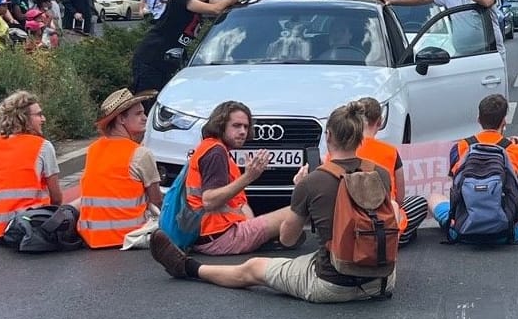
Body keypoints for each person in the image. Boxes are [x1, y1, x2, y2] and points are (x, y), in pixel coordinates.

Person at [149, 102, 398, 303]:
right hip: (382, 280)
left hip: (333, 285)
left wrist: (300, 192)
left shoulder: (312, 181)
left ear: (328, 135)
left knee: (253, 268)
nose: (243, 131)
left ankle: (189, 267)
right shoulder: (381, 175)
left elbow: (288, 239)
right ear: (359, 137)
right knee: (393, 209)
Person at [183, 100, 297, 255]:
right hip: (220, 236)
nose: (243, 131)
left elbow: (238, 202)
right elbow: (209, 201)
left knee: (288, 223)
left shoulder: (214, 148)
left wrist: (251, 227)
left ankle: (277, 237)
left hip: (214, 234)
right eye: (236, 126)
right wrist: (249, 177)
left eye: (246, 126)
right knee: (298, 209)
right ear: (220, 125)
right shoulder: (216, 153)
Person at [430, 93, 518, 242]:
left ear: (478, 119)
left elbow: (454, 188)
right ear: (504, 121)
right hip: (504, 234)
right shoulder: (515, 150)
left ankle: (452, 225)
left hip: (463, 231)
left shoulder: (461, 147)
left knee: (434, 198)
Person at [130, 0, 252, 93]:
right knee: (147, 101)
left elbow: (223, 2)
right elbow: (215, 9)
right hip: (151, 59)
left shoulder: (202, 0)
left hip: (167, 63)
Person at [0, 91, 65, 241]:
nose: (43, 119)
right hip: (26, 226)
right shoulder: (42, 146)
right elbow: (56, 198)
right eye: (38, 115)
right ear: (23, 118)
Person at [74, 89, 161, 249]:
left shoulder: (93, 149)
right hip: (128, 236)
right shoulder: (140, 153)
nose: (145, 118)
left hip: (90, 237)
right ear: (121, 119)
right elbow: (156, 200)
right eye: (138, 114)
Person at [351, 96, 429, 243]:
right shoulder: (390, 151)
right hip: (385, 214)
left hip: (350, 219)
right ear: (379, 122)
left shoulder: (340, 150)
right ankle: (394, 237)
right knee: (419, 203)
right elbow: (400, 197)